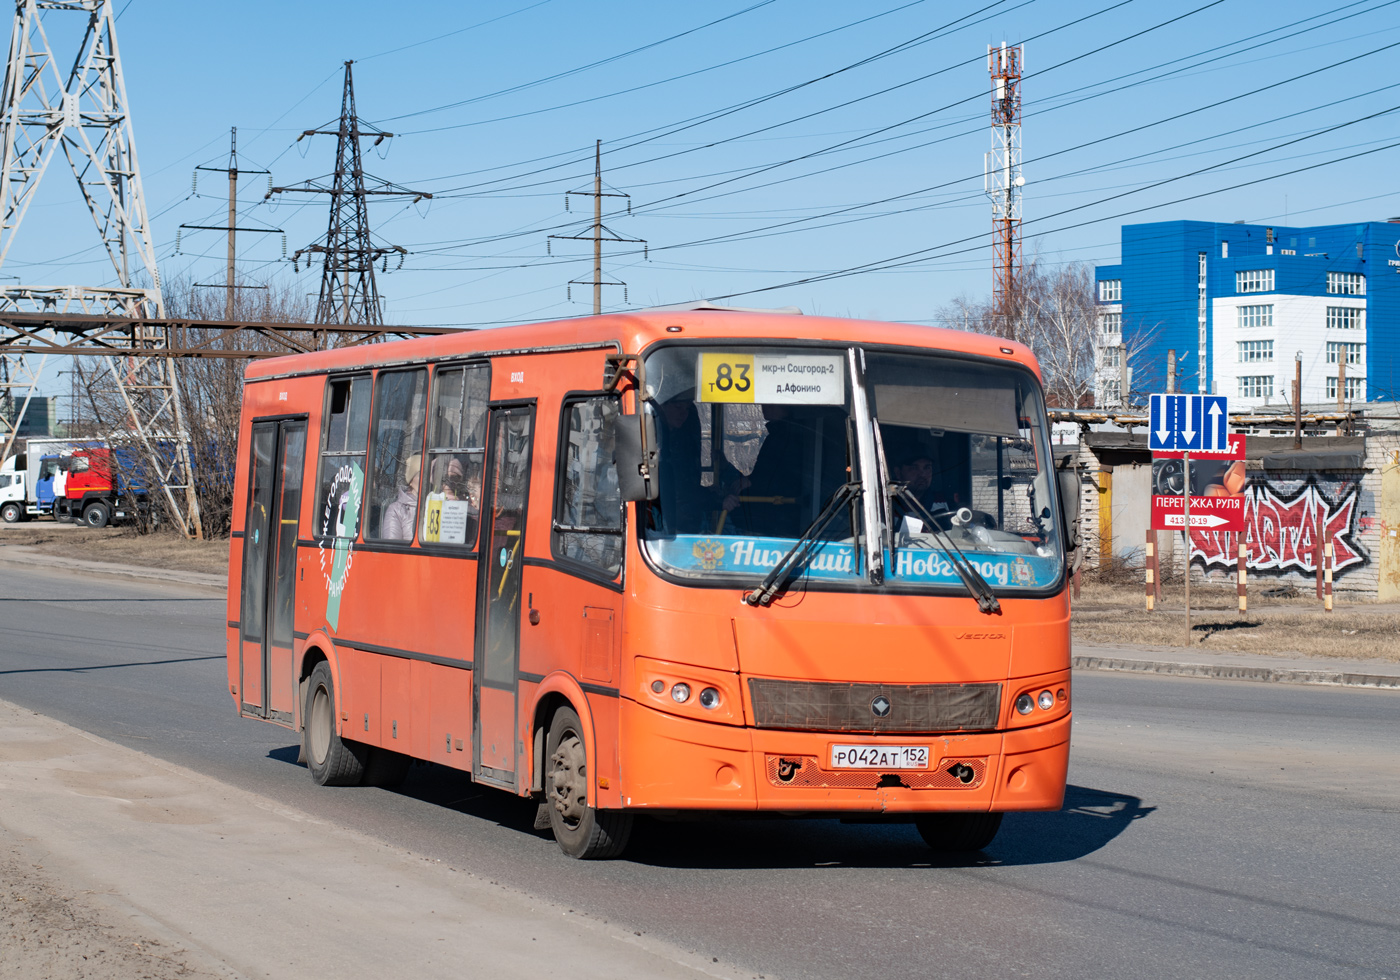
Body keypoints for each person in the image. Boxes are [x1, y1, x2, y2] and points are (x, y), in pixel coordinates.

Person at [381, 453, 420, 541]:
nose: (426, 478)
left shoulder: (435, 505)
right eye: (420, 474)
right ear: (410, 480)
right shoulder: (396, 510)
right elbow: (391, 549)